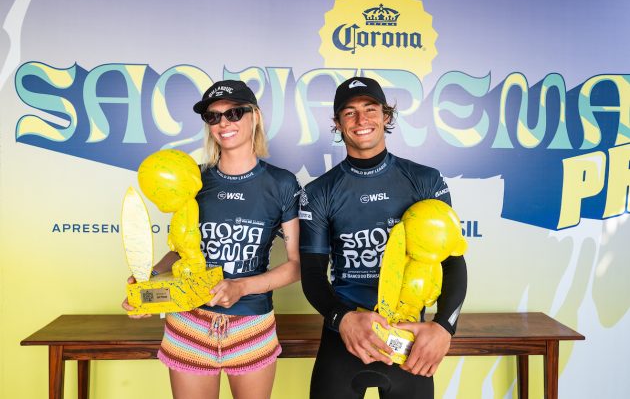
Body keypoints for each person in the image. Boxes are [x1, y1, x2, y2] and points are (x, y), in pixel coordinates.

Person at [122, 80, 301, 399]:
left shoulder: (282, 184)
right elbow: (180, 252)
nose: (223, 123)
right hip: (189, 322)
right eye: (213, 116)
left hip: (252, 324)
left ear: (255, 116)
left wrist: (241, 287)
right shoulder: (194, 181)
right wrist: (148, 283)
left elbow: (296, 265)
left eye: (234, 113)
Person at [299, 77, 467, 399]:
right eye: (349, 113)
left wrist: (444, 327)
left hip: (407, 335)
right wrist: (343, 319)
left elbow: (452, 262)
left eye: (370, 109)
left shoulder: (424, 181)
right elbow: (312, 274)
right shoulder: (319, 192)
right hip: (345, 333)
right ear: (337, 123)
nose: (361, 120)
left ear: (386, 116)